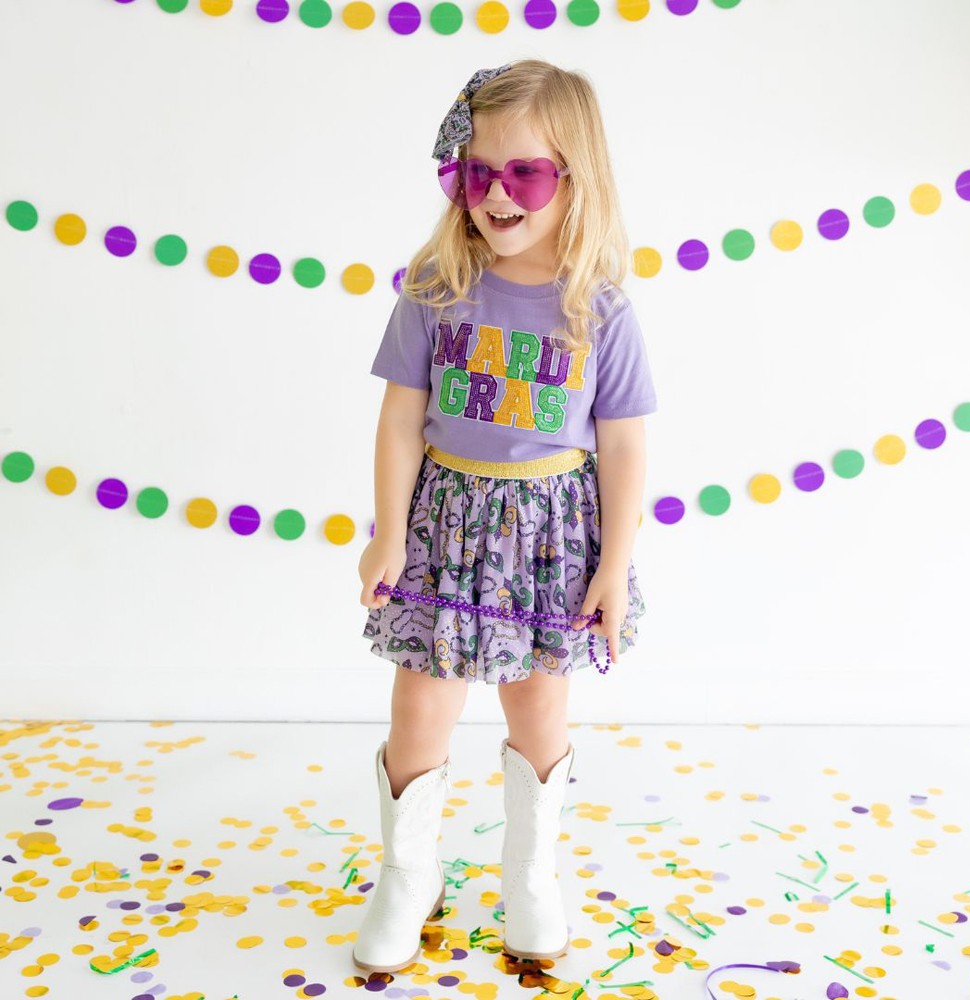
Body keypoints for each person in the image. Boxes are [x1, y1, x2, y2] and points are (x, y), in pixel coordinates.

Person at [352, 59, 658, 974]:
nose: (497, 194)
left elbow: (624, 446)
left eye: (524, 173)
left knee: (538, 703)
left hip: (551, 538)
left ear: (575, 177)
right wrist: (389, 531)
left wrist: (613, 565)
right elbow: (401, 417)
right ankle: (408, 875)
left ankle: (531, 874)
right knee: (420, 702)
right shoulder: (436, 285)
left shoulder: (600, 308)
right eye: (479, 172)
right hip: (444, 529)